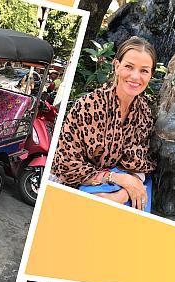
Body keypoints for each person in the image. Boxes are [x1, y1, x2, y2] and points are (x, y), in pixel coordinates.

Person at [52, 36, 157, 212]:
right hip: (84, 183)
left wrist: (122, 194)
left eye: (144, 71)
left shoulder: (144, 114)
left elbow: (140, 163)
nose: (135, 76)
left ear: (150, 75)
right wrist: (113, 179)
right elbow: (65, 164)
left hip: (127, 184)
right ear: (117, 66)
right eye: (129, 67)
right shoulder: (88, 106)